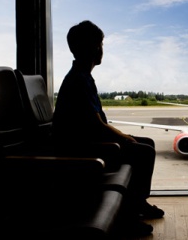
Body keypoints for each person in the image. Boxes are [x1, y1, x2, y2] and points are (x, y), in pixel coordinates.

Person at [52, 20, 164, 236]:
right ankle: (128, 214)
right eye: (100, 43)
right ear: (93, 47)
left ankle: (138, 202)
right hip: (81, 148)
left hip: (87, 141)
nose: (102, 48)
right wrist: (123, 137)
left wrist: (123, 137)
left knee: (146, 143)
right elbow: (96, 124)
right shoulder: (79, 80)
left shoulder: (82, 76)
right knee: (144, 150)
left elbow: (95, 122)